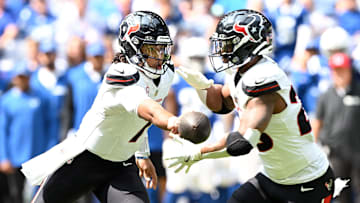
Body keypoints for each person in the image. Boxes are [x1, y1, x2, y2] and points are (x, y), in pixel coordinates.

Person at [167, 9, 337, 203]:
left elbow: (242, 141)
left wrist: (200, 153)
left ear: (247, 44)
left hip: (306, 182)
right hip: (273, 177)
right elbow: (222, 104)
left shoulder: (263, 80)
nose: (222, 48)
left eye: (228, 43)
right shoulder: (242, 71)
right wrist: (203, 87)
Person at [21, 11, 180, 203]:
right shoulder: (120, 74)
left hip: (120, 164)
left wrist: (142, 154)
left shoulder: (163, 75)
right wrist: (172, 120)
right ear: (132, 48)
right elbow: (148, 109)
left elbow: (136, 120)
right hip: (83, 160)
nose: (160, 56)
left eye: (162, 48)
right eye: (152, 49)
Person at [312, 52, 360, 203]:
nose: (339, 74)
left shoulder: (358, 91)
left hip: (358, 151)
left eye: (342, 70)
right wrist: (314, 148)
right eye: (336, 70)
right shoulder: (325, 96)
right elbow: (317, 122)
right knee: (340, 194)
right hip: (335, 153)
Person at [0, 65, 46, 203]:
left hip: (37, 154)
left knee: (38, 195)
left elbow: (49, 123)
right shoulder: (7, 100)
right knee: (16, 194)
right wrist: (3, 157)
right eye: (19, 77)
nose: (21, 80)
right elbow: (2, 130)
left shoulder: (40, 97)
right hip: (15, 156)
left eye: (24, 77)